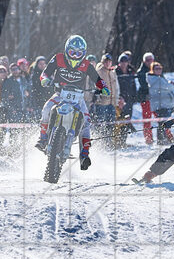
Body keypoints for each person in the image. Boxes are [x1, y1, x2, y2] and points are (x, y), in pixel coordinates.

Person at [35, 35, 109, 170]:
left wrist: (103, 87)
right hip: (59, 94)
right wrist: (45, 79)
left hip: (78, 97)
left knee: (86, 122)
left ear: (84, 53)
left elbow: (97, 78)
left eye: (79, 53)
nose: (75, 56)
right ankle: (43, 138)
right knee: (46, 109)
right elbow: (45, 73)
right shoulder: (58, 58)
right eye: (72, 52)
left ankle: (85, 155)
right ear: (66, 50)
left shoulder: (86, 64)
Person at [146, 62, 174, 145]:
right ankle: (161, 140)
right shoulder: (156, 79)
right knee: (161, 123)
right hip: (160, 105)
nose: (159, 70)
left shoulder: (158, 78)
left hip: (164, 104)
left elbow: (166, 87)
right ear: (153, 70)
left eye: (160, 68)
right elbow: (168, 87)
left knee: (163, 123)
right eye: (157, 69)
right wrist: (171, 84)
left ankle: (163, 139)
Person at [91, 53, 120, 138]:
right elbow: (95, 85)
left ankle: (109, 143)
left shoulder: (112, 72)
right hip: (102, 103)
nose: (107, 63)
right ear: (102, 62)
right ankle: (101, 141)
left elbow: (116, 87)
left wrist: (117, 100)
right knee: (101, 125)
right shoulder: (99, 71)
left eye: (109, 62)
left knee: (111, 125)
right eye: (106, 61)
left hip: (112, 103)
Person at [135, 51, 155, 145]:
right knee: (147, 119)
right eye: (147, 60)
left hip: (156, 98)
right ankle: (148, 138)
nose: (149, 62)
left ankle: (165, 136)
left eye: (151, 60)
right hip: (145, 98)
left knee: (161, 118)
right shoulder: (141, 72)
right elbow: (144, 85)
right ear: (144, 61)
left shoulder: (155, 68)